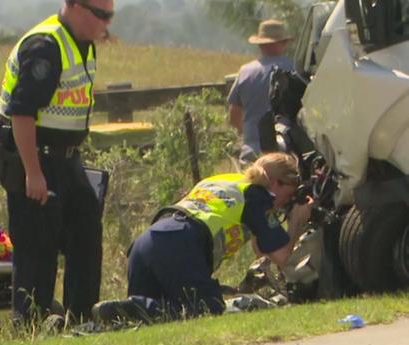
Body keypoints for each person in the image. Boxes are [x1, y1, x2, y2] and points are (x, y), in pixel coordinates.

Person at [0, 0, 114, 325]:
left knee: (86, 236)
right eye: (100, 15)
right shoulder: (45, 46)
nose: (106, 23)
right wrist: (33, 173)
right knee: (37, 249)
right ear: (74, 6)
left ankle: (82, 320)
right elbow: (21, 113)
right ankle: (30, 326)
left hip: (67, 159)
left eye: (110, 15)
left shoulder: (83, 43)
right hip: (34, 158)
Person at [92, 152, 312, 325]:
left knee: (144, 322)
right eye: (289, 195)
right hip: (180, 245)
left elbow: (263, 252)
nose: (287, 202)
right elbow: (282, 257)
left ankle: (120, 309)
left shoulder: (226, 181)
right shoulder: (258, 196)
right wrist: (296, 222)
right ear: (275, 183)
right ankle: (134, 306)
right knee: (208, 308)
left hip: (146, 242)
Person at [227, 20, 294, 163]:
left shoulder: (245, 72)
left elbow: (234, 115)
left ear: (260, 44)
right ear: (283, 43)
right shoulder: (294, 69)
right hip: (286, 154)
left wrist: (248, 135)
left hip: (252, 155)